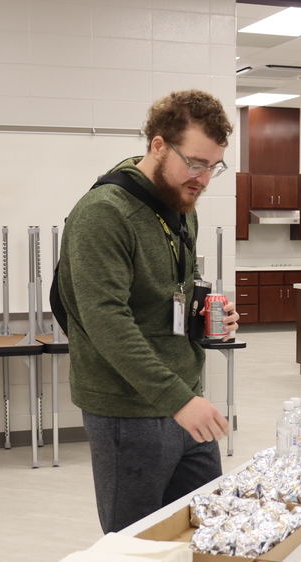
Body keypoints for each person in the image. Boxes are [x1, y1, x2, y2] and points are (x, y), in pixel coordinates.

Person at [57, 90, 239, 534]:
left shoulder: (180, 204)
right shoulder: (103, 214)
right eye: (194, 163)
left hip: (184, 395)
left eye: (213, 166)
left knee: (205, 532)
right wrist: (178, 400)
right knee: (136, 544)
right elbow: (106, 320)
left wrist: (203, 319)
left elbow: (166, 293)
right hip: (128, 409)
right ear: (158, 146)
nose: (203, 179)